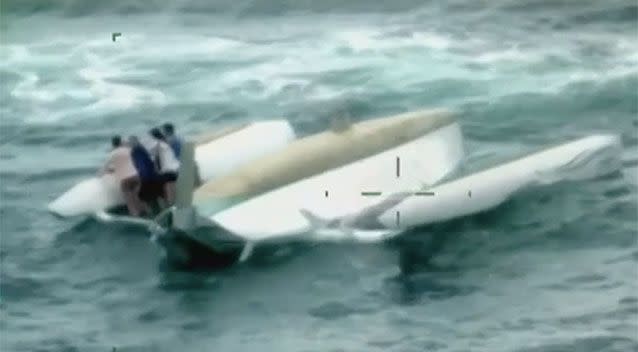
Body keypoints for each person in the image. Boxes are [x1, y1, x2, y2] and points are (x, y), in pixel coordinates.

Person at [98, 135, 146, 217]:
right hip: (136, 176)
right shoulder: (128, 150)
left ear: (113, 144)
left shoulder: (112, 154)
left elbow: (105, 168)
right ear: (121, 142)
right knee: (137, 196)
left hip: (125, 180)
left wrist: (100, 176)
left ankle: (135, 215)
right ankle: (145, 212)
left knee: (129, 200)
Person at [129, 135, 163, 211]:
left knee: (147, 198)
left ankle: (153, 214)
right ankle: (160, 212)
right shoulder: (143, 148)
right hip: (153, 175)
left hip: (146, 177)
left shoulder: (135, 151)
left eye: (131, 142)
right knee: (155, 197)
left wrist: (141, 176)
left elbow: (140, 165)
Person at [149, 128, 180, 205]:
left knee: (168, 188)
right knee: (174, 185)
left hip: (165, 169)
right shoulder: (166, 141)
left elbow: (156, 158)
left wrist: (156, 169)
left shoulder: (157, 144)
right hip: (173, 167)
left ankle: (171, 204)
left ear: (153, 136)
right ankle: (177, 201)